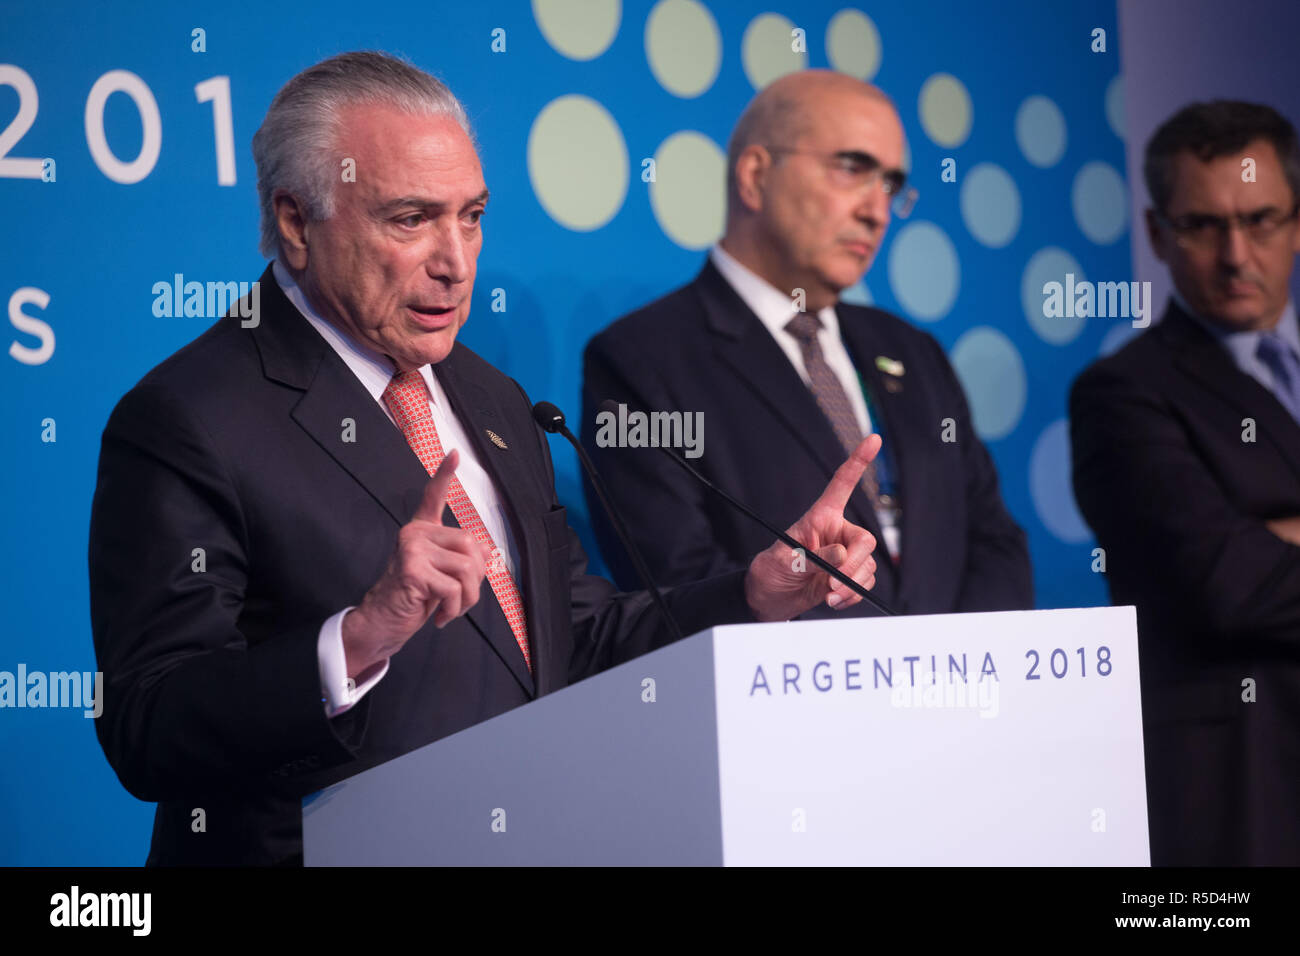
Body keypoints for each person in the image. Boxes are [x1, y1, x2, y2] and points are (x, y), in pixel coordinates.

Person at [87, 52, 882, 866]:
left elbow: (574, 637)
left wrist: (752, 593)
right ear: (296, 223)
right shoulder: (191, 416)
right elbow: (148, 724)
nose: (457, 260)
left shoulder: (493, 397)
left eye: (471, 215)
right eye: (410, 219)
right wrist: (357, 640)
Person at [581, 71, 1031, 617]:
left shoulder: (914, 352)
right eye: (852, 169)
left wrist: (957, 673)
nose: (878, 211)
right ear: (755, 177)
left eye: (890, 184)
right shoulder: (639, 361)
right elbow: (680, 581)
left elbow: (993, 541)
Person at [1070, 100, 1300, 865]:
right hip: (1242, 799)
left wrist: (1274, 533)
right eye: (1205, 226)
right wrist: (1253, 548)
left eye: (1262, 219)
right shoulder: (1121, 393)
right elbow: (1226, 584)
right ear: (1157, 234)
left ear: (1296, 221)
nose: (1237, 254)